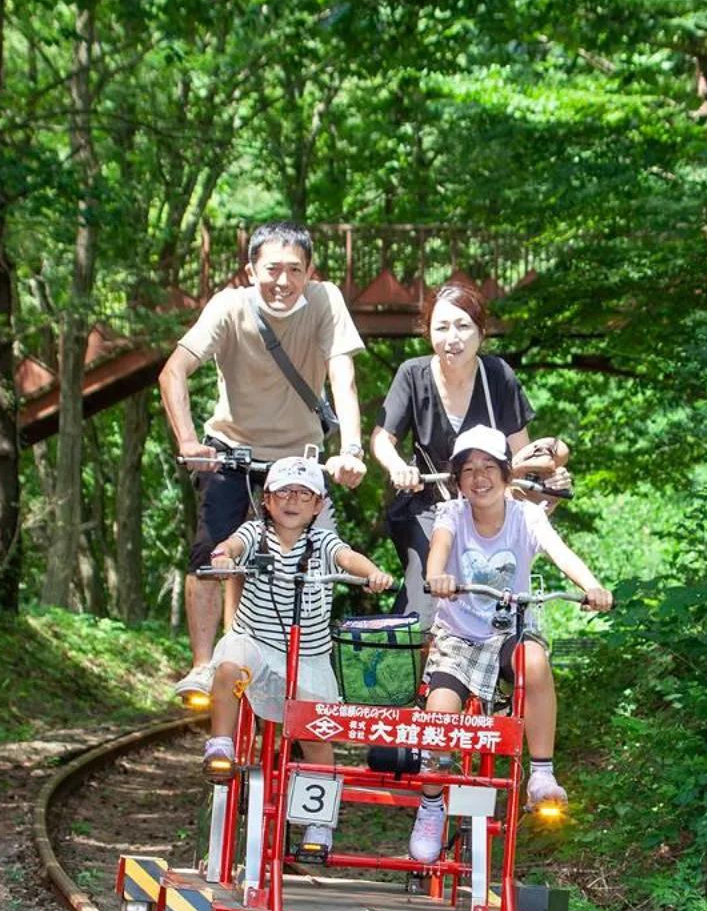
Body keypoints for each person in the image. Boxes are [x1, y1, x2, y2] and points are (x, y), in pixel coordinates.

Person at [160, 222, 369, 704]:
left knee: (315, 561)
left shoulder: (324, 301)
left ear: (310, 272)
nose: (283, 280)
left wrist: (352, 451)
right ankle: (202, 664)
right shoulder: (229, 306)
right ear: (251, 269)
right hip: (232, 451)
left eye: (295, 270)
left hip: (301, 458)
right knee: (212, 553)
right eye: (272, 268)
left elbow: (343, 375)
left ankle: (303, 662)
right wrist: (190, 442)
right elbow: (173, 371)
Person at [410, 426, 611, 863]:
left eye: (488, 468)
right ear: (457, 480)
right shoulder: (451, 515)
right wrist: (438, 575)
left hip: (508, 630)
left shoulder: (527, 516)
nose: (479, 478)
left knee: (534, 660)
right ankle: (429, 804)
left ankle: (541, 773)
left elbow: (562, 553)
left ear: (506, 474)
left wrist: (593, 586)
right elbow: (438, 552)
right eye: (468, 471)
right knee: (440, 711)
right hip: (458, 637)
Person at [202, 456, 393, 855]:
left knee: (317, 732)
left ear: (318, 505)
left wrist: (372, 572)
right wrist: (224, 556)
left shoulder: (322, 542)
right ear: (267, 500)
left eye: (303, 494)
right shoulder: (256, 533)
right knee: (228, 664)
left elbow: (347, 558)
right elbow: (232, 546)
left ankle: (318, 822)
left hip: (308, 657)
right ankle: (221, 746)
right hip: (257, 643)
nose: (292, 501)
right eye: (283, 492)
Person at [370, 283, 570, 629]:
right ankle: (414, 674)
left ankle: (499, 669)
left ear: (481, 331)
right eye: (442, 327)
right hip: (430, 506)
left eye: (463, 327)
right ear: (428, 331)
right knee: (428, 588)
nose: (453, 338)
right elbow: (382, 439)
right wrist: (398, 466)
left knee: (497, 592)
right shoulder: (413, 375)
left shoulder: (498, 377)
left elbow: (519, 458)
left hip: (487, 506)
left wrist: (544, 481)